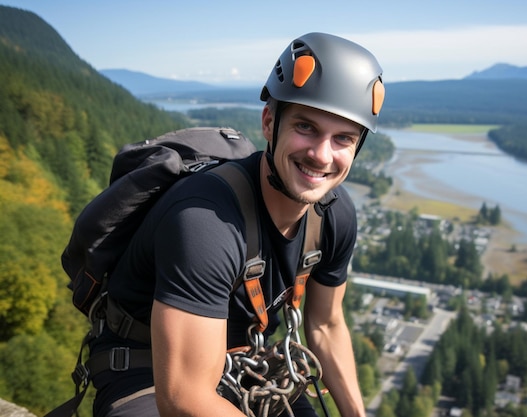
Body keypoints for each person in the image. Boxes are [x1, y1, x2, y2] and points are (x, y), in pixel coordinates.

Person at [89, 32, 385, 417]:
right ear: (269, 122)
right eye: (306, 127)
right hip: (148, 372)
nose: (321, 155)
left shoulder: (334, 215)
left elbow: (326, 326)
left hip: (244, 363)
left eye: (343, 138)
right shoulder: (204, 221)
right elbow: (183, 399)